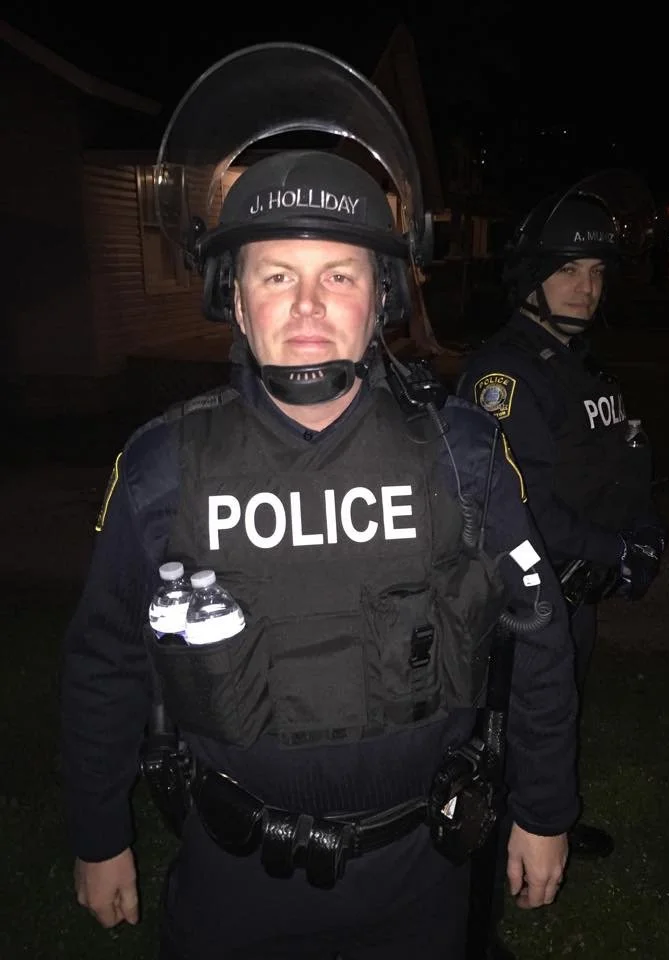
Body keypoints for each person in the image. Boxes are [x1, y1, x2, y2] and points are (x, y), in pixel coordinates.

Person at [61, 44, 578, 960]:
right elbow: (106, 658)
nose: (307, 304)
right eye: (276, 275)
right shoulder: (161, 470)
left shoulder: (462, 455)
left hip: (422, 879)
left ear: (379, 297)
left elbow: (534, 634)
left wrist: (543, 809)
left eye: (338, 274)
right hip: (233, 885)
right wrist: (100, 831)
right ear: (236, 298)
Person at [458, 175, 666, 858]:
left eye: (597, 270)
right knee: (515, 722)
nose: (587, 286)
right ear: (530, 276)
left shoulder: (577, 364)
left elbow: (611, 461)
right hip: (526, 599)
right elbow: (523, 510)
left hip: (576, 592)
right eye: (568, 269)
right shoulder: (507, 375)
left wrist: (642, 529)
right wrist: (617, 550)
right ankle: (497, 849)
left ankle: (546, 818)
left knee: (557, 710)